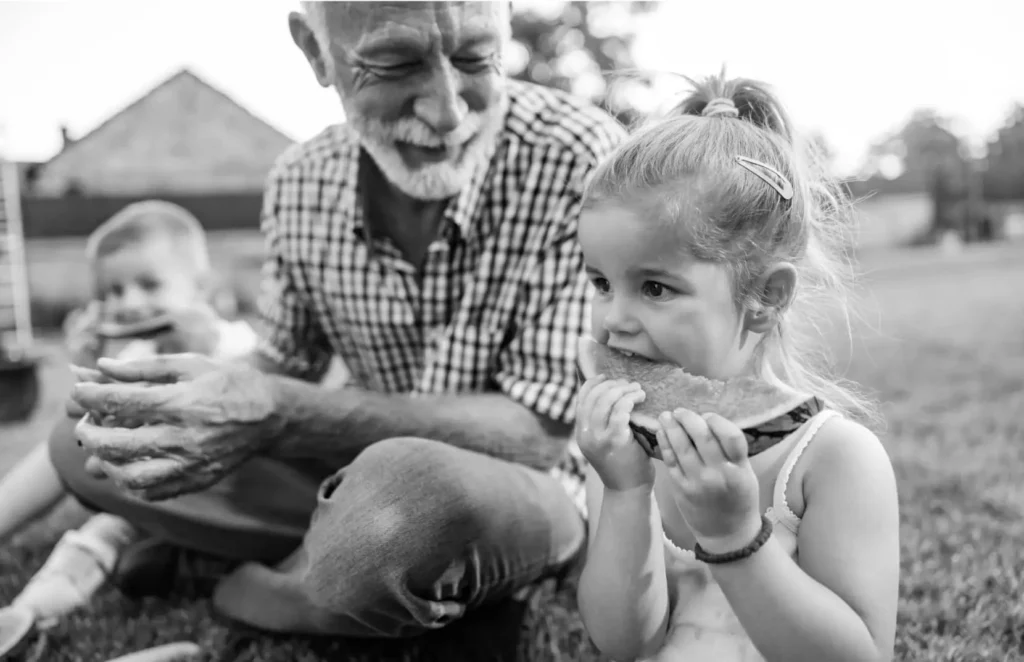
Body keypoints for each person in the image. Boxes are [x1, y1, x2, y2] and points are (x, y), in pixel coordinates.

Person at [56, 0, 626, 637]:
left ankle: (278, 578)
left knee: (404, 504)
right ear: (315, 51)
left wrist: (280, 410)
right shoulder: (300, 181)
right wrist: (195, 400)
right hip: (350, 472)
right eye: (394, 63)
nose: (447, 110)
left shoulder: (577, 154)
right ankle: (345, 576)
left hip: (522, 487)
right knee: (86, 440)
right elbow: (279, 363)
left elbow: (541, 432)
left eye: (476, 56)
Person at [574, 72, 900, 662]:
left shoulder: (834, 459)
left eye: (654, 287)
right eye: (600, 282)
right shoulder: (621, 450)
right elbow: (623, 645)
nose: (613, 320)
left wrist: (736, 537)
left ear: (766, 296)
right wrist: (625, 495)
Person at [0, 200, 257, 626]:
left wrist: (209, 344)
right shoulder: (136, 355)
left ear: (203, 289)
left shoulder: (233, 340)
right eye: (113, 292)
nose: (130, 303)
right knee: (103, 521)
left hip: (224, 495)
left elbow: (259, 395)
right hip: (145, 496)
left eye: (149, 284)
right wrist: (87, 358)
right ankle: (38, 605)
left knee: (116, 523)